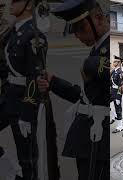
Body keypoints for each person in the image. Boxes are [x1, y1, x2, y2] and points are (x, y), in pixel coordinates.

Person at [38, 0, 109, 179]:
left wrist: (92, 65)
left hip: (100, 144)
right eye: (73, 30)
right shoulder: (97, 50)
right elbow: (85, 98)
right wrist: (53, 82)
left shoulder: (106, 51)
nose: (76, 35)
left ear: (99, 19)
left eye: (80, 28)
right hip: (90, 141)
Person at [0, 0, 49, 178]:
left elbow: (35, 76)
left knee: (27, 158)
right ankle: (11, 174)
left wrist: (27, 114)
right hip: (8, 96)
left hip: (23, 102)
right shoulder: (12, 31)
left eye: (16, 1)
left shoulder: (35, 36)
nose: (11, 3)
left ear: (28, 5)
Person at [111, 56, 123, 133]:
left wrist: (118, 96)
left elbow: (121, 85)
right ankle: (114, 117)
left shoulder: (121, 73)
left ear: (119, 63)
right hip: (112, 91)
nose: (114, 63)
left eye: (115, 61)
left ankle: (120, 126)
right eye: (114, 61)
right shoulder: (113, 71)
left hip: (117, 92)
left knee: (118, 109)